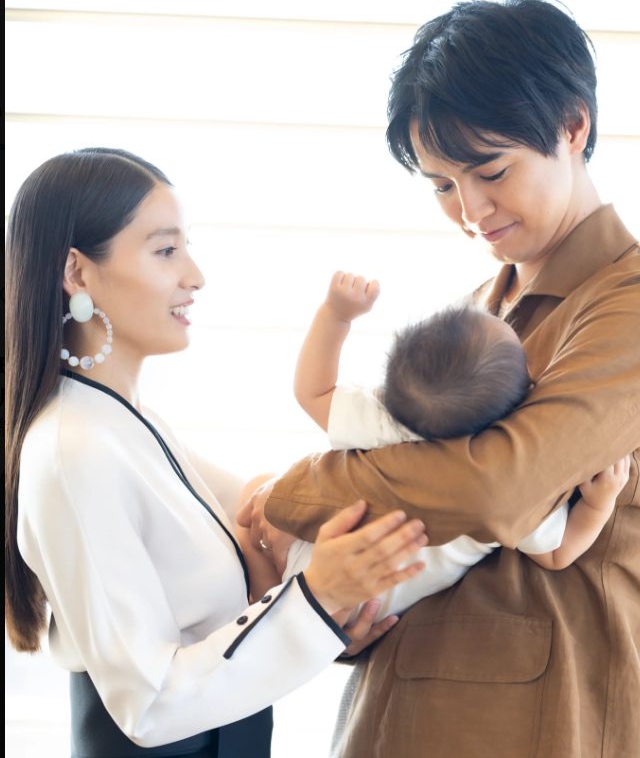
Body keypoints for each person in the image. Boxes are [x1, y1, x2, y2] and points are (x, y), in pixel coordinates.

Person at [241, 0, 640, 756]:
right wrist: (345, 610)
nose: (470, 210)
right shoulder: (474, 315)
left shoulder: (629, 306)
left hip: (535, 722)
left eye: (490, 171)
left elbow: (495, 489)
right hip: (393, 711)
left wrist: (295, 493)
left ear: (573, 128)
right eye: (440, 185)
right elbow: (410, 519)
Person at [4, 147, 432, 758]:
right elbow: (147, 705)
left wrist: (324, 612)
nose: (195, 276)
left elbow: (269, 509)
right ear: (77, 273)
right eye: (165, 250)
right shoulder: (74, 452)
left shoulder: (129, 425)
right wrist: (316, 598)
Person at [241, 270, 629, 622]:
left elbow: (312, 391)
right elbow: (557, 554)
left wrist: (336, 315)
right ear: (525, 394)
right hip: (357, 606)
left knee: (255, 490)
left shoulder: (386, 419)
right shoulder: (514, 477)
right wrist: (599, 503)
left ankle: (258, 579)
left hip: (314, 562)